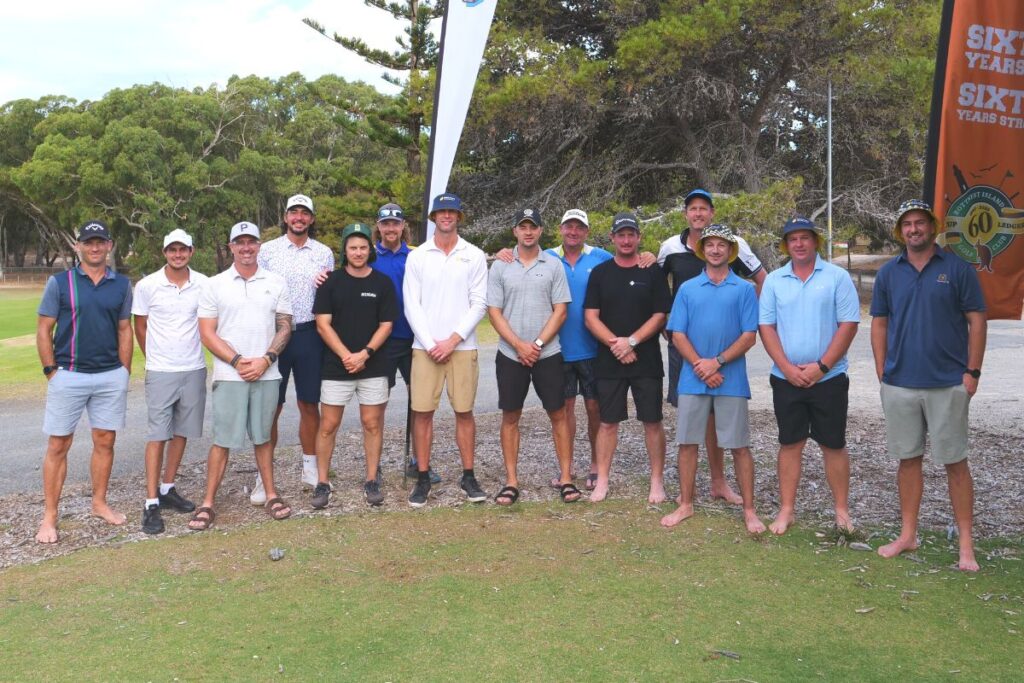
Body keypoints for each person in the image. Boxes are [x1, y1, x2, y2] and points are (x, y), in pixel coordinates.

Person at [495, 209, 656, 491]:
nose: (573, 232)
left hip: (593, 348)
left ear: (587, 231)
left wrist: (648, 256)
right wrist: (503, 253)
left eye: (579, 228)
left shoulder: (602, 258)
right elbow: (520, 258)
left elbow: (627, 260)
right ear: (559, 229)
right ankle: (565, 471)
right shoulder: (550, 258)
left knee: (595, 409)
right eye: (569, 227)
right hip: (559, 350)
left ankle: (596, 466)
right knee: (564, 409)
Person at [870, 200, 987, 572]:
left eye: (920, 223)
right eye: (907, 224)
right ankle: (908, 535)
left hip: (947, 383)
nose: (914, 229)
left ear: (932, 228)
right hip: (900, 383)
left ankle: (966, 545)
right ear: (900, 231)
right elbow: (879, 323)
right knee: (908, 460)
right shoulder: (889, 272)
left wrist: (973, 372)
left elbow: (977, 321)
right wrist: (881, 370)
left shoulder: (956, 269)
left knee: (955, 462)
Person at [658, 188, 766, 506]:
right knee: (689, 435)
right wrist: (698, 361)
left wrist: (717, 360)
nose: (716, 250)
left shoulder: (742, 285)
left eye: (721, 245)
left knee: (736, 441)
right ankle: (687, 501)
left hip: (727, 369)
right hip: (690, 364)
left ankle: (737, 498)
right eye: (693, 208)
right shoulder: (679, 268)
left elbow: (751, 330)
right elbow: (672, 320)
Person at [188, 222, 293, 530]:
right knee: (222, 439)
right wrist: (236, 360)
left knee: (263, 437)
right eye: (240, 242)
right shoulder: (215, 284)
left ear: (259, 245)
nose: (246, 248)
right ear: (231, 247)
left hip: (267, 372)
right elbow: (207, 333)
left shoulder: (276, 282)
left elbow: (285, 326)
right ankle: (208, 502)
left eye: (251, 242)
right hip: (230, 374)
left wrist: (266, 359)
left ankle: (271, 494)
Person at [758, 217, 859, 535]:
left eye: (805, 238)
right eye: (792, 239)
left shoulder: (837, 277)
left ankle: (841, 512)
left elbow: (848, 324)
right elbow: (767, 327)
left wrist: (822, 366)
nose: (799, 244)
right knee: (790, 443)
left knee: (833, 444)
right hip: (786, 379)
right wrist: (787, 368)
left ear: (815, 241)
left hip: (828, 379)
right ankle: (787, 510)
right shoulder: (774, 280)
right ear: (785, 245)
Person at [35, 220, 132, 544]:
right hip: (69, 374)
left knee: (105, 441)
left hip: (108, 375)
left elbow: (124, 329)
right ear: (78, 246)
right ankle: (49, 516)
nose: (94, 247)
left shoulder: (121, 285)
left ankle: (99, 503)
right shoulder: (60, 283)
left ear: (109, 245)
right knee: (58, 445)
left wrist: (124, 372)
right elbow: (44, 329)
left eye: (100, 242)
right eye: (88, 242)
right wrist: (51, 370)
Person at [487, 207, 578, 504]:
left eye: (533, 227)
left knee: (558, 413)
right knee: (511, 415)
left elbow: (561, 310)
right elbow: (494, 312)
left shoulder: (553, 265)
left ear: (540, 231)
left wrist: (536, 344)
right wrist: (519, 345)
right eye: (522, 227)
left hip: (547, 353)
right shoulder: (500, 266)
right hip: (511, 354)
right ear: (514, 230)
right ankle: (511, 481)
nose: (528, 232)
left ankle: (566, 478)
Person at [402, 193, 488, 507]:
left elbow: (479, 303)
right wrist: (430, 343)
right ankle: (422, 477)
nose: (447, 216)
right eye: (441, 212)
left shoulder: (474, 254)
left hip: (462, 348)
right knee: (423, 413)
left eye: (452, 211)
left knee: (464, 411)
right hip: (425, 348)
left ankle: (468, 475)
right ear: (433, 217)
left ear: (458, 217)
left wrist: (452, 340)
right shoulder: (418, 256)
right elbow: (411, 304)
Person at [583, 212, 672, 503]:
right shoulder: (600, 273)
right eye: (620, 235)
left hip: (646, 359)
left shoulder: (652, 272)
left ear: (638, 237)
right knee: (608, 422)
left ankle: (656, 481)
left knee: (652, 421)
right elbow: (590, 316)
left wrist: (631, 341)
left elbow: (660, 315)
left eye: (630, 234)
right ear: (612, 238)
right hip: (609, 359)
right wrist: (616, 345)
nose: (625, 239)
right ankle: (603, 480)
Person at [254, 193, 333, 502]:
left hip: (310, 334)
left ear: (311, 219)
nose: (299, 217)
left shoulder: (323, 252)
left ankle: (310, 467)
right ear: (285, 217)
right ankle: (264, 476)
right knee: (271, 406)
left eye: (304, 213)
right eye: (293, 212)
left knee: (309, 404)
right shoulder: (268, 251)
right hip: (274, 335)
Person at [312, 223, 398, 508]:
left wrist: (365, 353)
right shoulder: (330, 282)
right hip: (337, 366)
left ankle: (371, 479)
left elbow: (387, 324)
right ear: (344, 251)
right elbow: (322, 324)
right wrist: (347, 355)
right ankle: (322, 482)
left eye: (363, 247)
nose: (358, 252)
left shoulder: (382, 283)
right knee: (328, 425)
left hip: (373, 365)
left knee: (371, 423)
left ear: (369, 250)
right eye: (353, 247)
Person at [132, 228, 208, 534]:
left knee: (181, 432)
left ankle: (167, 488)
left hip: (194, 368)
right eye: (172, 250)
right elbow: (140, 326)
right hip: (161, 370)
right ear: (165, 252)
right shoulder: (148, 285)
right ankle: (151, 502)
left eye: (183, 250)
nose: (178, 254)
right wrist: (155, 358)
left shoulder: (203, 283)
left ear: (191, 251)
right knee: (158, 435)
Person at [371, 203, 440, 484]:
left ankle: (418, 461)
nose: (390, 229)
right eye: (385, 224)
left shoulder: (415, 257)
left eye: (395, 224)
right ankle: (373, 467)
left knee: (421, 404)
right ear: (379, 226)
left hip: (413, 339)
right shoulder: (369, 255)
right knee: (377, 404)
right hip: (381, 342)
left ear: (403, 227)